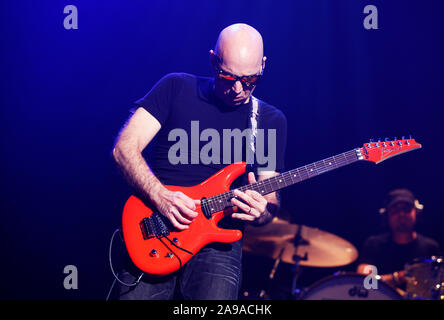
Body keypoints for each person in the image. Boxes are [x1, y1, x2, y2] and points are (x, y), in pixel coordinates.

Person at [112, 23, 287, 300]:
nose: (239, 89)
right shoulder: (175, 87)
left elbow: (270, 200)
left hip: (219, 246)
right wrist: (160, 196)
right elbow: (124, 148)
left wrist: (262, 212)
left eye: (251, 80)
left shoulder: (269, 120)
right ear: (212, 60)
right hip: (155, 227)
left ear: (263, 65)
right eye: (228, 77)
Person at [357, 189, 441, 292]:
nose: (401, 214)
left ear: (416, 212)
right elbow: (364, 280)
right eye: (395, 210)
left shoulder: (430, 247)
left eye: (406, 209)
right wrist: (402, 276)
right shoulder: (374, 244)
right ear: (386, 215)